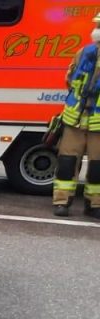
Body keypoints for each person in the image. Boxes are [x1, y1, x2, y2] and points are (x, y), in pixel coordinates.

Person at [52, 13, 100, 218]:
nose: (96, 29)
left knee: (98, 168)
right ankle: (62, 202)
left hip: (98, 124)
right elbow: (70, 78)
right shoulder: (84, 53)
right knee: (66, 164)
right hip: (75, 119)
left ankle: (94, 205)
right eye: (97, 26)